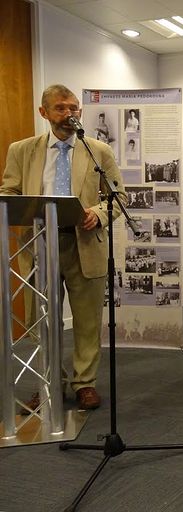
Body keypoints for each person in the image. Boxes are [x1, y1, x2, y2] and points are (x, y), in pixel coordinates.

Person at [0, 84, 126, 410]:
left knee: (87, 321)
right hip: (38, 244)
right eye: (60, 108)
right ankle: (49, 382)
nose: (69, 114)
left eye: (74, 108)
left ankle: (84, 383)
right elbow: (9, 193)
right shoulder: (21, 150)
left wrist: (98, 214)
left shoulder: (98, 151)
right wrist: (26, 211)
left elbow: (118, 198)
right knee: (41, 322)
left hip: (83, 243)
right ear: (43, 112)